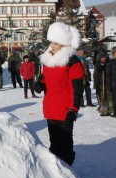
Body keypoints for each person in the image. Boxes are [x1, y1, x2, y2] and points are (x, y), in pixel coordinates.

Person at [34, 22, 83, 166]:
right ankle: (56, 173)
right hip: (51, 106)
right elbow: (46, 78)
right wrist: (40, 83)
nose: (52, 45)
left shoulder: (72, 61)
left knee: (65, 142)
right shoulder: (47, 59)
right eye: (51, 42)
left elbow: (77, 88)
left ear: (64, 43)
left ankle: (67, 169)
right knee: (54, 142)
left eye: (56, 42)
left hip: (66, 108)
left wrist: (73, 109)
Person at [94, 52, 114, 116]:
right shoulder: (97, 65)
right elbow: (96, 74)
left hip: (107, 83)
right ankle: (105, 111)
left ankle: (111, 111)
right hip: (100, 84)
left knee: (109, 97)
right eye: (102, 57)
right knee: (103, 98)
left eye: (104, 57)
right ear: (100, 58)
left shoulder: (108, 64)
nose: (104, 58)